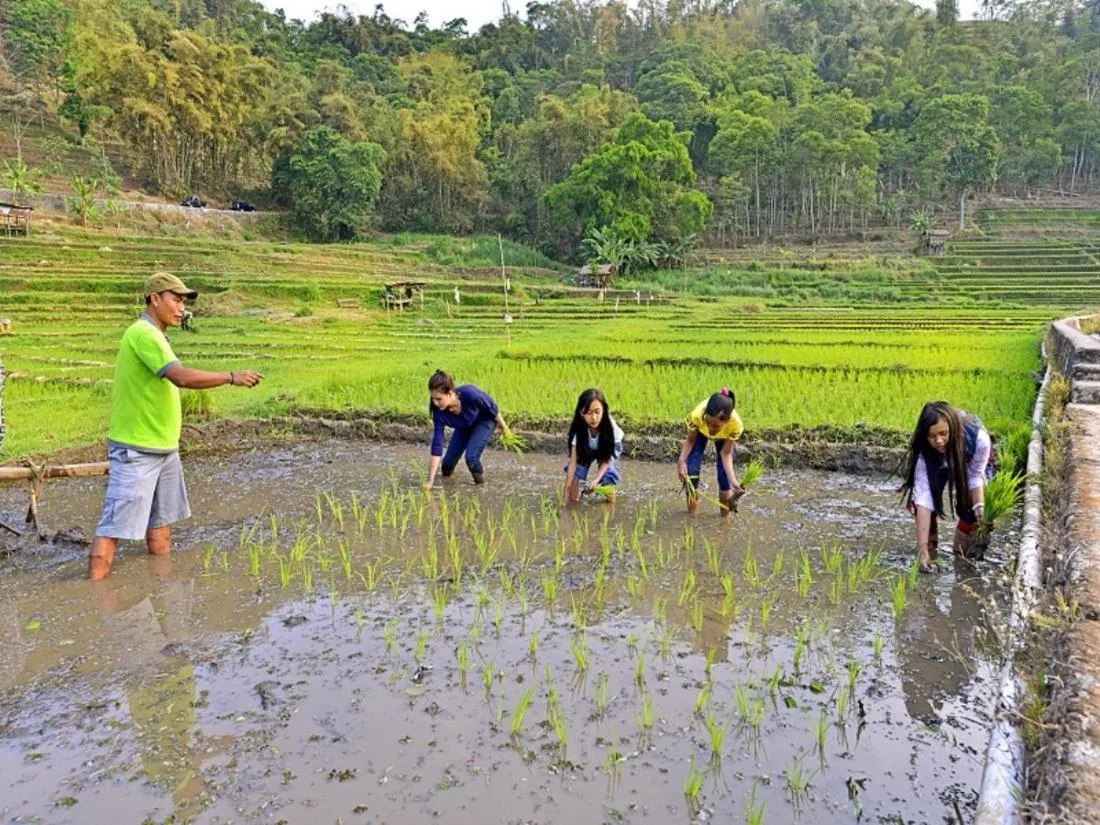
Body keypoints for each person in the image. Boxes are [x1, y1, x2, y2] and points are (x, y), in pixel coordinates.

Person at [88, 272, 263, 581]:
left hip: (164, 448)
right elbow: (180, 377)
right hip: (137, 449)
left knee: (161, 527)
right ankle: (94, 595)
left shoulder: (158, 336)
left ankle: (162, 587)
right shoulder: (143, 333)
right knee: (114, 527)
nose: (182, 308)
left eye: (184, 301)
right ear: (155, 299)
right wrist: (231, 376)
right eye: (176, 300)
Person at [899, 401, 993, 572]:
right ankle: (929, 560)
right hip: (937, 462)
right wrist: (922, 550)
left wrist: (980, 509)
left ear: (953, 428)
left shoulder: (978, 440)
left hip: (968, 460)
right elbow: (924, 497)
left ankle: (964, 573)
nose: (939, 441)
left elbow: (975, 477)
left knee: (963, 546)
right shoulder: (924, 453)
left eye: (943, 433)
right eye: (932, 436)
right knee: (927, 537)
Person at [424, 370, 509, 489]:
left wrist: (505, 429)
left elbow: (492, 408)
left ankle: (481, 487)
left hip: (484, 422)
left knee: (471, 458)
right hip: (464, 427)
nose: (436, 403)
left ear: (450, 392)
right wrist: (430, 481)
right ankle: (448, 487)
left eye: (439, 399)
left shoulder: (470, 394)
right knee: (447, 465)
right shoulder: (439, 413)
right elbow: (437, 445)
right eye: (433, 399)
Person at [677, 388, 744, 516]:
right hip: (700, 433)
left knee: (724, 478)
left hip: (724, 436)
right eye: (708, 423)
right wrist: (681, 461)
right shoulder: (697, 415)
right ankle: (692, 518)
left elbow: (726, 453)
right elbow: (690, 441)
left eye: (715, 426)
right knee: (691, 471)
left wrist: (734, 481)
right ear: (705, 416)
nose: (710, 428)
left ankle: (725, 521)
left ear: (727, 421)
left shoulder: (735, 425)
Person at [563, 388, 624, 503]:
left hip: (607, 450)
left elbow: (607, 459)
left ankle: (609, 512)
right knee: (575, 484)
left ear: (604, 410)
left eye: (597, 412)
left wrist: (596, 480)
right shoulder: (578, 428)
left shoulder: (610, 427)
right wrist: (565, 500)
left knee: (608, 477)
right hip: (586, 448)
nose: (594, 418)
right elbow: (573, 464)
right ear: (582, 412)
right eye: (589, 413)